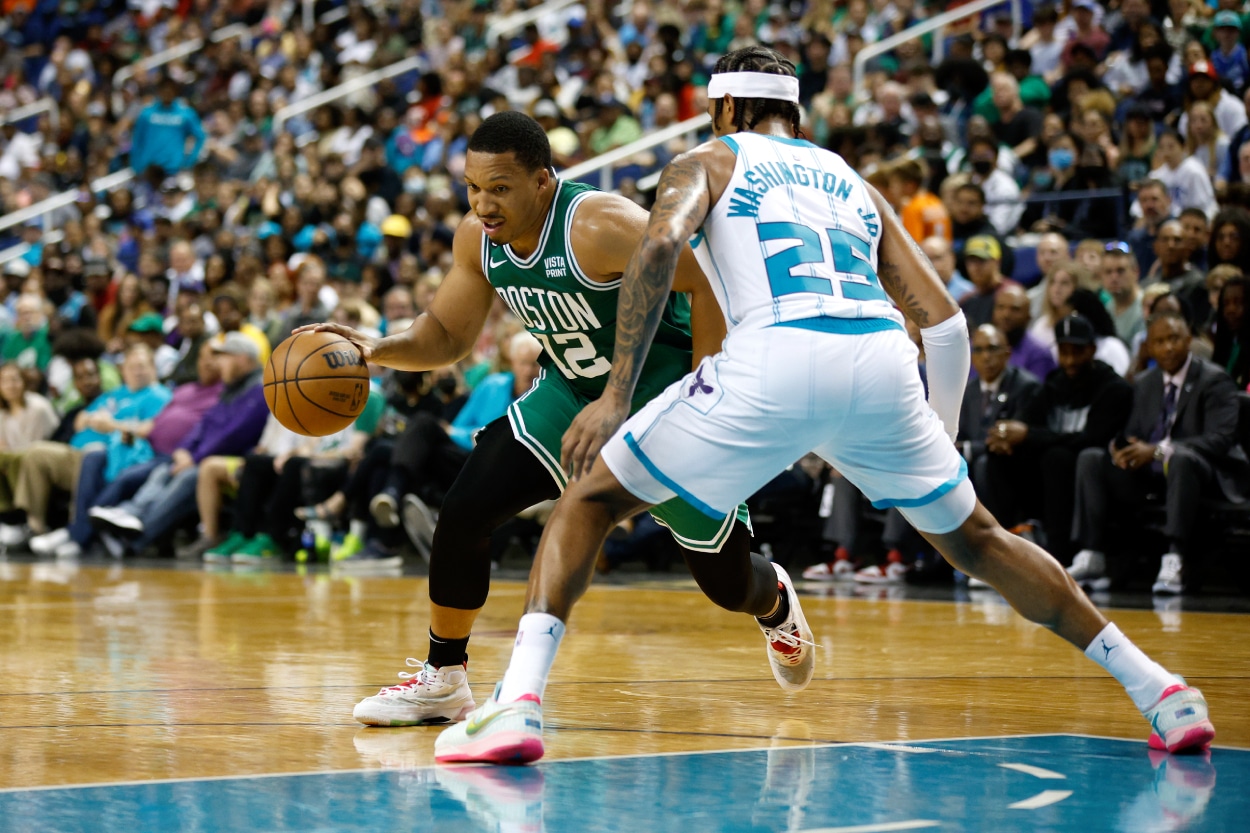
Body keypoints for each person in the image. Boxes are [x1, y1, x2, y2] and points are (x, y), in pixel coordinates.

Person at [432, 47, 1217, 765]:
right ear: (794, 116)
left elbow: (661, 247)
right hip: (880, 362)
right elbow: (944, 323)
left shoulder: (708, 157)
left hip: (772, 359)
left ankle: (518, 706)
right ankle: (1161, 690)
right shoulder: (853, 181)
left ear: (727, 111)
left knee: (590, 499)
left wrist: (614, 396)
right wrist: (939, 443)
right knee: (979, 539)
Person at [303, 110, 805, 729]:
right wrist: (379, 349)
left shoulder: (598, 224)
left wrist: (707, 390)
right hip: (570, 393)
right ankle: (445, 678)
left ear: (543, 180)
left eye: (500, 188)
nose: (483, 204)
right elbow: (446, 333)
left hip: (665, 392)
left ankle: (774, 599)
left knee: (727, 583)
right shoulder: (477, 239)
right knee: (464, 510)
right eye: (472, 187)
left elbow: (707, 282)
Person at [1071, 311, 1250, 594]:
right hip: (1150, 476)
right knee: (1091, 459)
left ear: (1189, 339)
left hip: (1207, 474)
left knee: (1179, 458)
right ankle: (1092, 553)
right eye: (1160, 341)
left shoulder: (1215, 380)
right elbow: (1134, 432)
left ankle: (1174, 557)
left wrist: (1158, 451)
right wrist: (1122, 451)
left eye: (1174, 339)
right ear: (1150, 347)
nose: (1168, 347)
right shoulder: (1145, 382)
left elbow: (1221, 439)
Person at [985, 314, 1133, 562]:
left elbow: (1091, 439)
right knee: (999, 456)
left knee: (1057, 458)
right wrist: (1005, 436)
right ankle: (1007, 542)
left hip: (1095, 466)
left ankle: (1058, 552)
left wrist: (1029, 435)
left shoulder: (1113, 388)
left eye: (1077, 352)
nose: (1070, 360)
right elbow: (1027, 421)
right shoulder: (1055, 383)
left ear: (1092, 350)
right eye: (1064, 352)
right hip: (1052, 468)